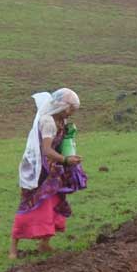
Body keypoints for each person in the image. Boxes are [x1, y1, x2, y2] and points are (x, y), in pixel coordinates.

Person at [10, 88, 85, 259]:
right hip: (38, 171)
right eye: (72, 110)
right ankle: (13, 249)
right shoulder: (48, 122)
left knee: (52, 204)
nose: (72, 114)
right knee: (28, 205)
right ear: (65, 107)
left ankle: (44, 244)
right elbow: (46, 150)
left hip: (52, 170)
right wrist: (66, 160)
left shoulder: (61, 121)